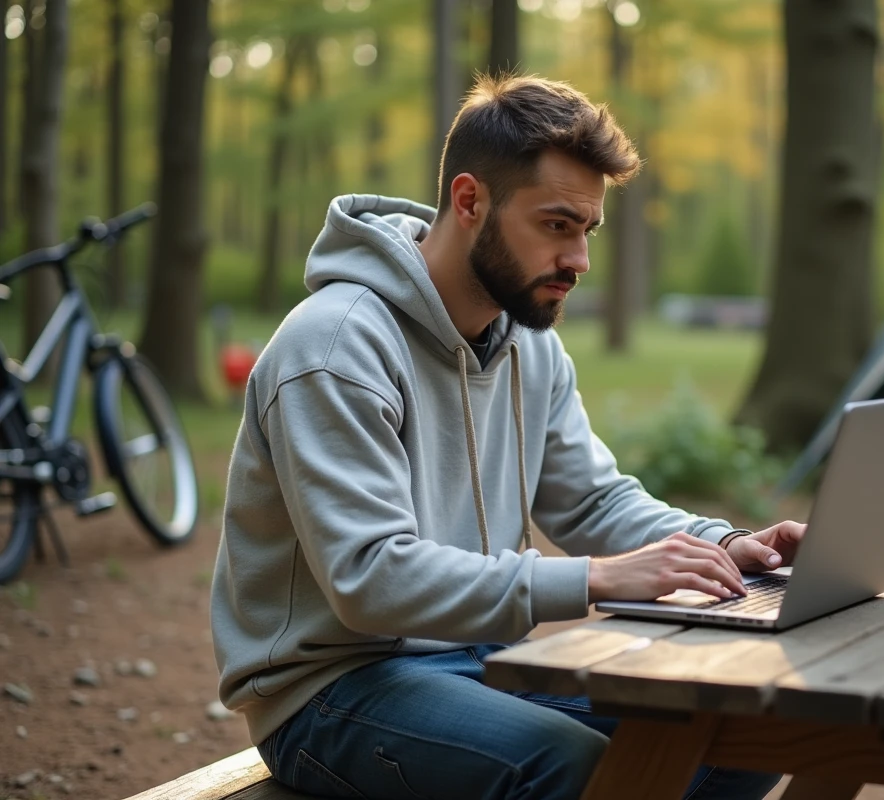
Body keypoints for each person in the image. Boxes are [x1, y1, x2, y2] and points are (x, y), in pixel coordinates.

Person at [211, 74, 803, 800]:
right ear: (469, 202)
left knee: (740, 726)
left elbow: (590, 501)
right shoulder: (334, 348)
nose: (579, 262)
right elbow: (370, 578)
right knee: (563, 764)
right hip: (330, 690)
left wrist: (724, 546)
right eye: (557, 225)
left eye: (587, 231)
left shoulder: (529, 342)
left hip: (480, 665)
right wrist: (593, 579)